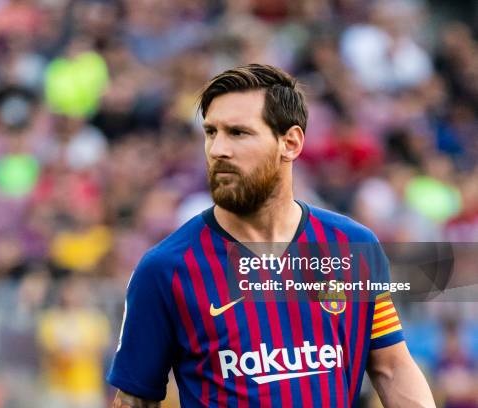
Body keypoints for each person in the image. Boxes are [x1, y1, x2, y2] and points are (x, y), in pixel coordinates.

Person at [106, 64, 435, 407]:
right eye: (210, 132)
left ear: (290, 143)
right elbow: (134, 400)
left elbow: (392, 367)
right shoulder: (165, 269)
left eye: (238, 133)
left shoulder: (352, 246)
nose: (217, 149)